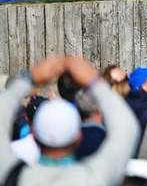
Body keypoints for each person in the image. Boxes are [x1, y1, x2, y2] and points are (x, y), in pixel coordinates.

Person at [0, 55, 139, 185]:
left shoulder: (13, 175)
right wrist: (95, 82)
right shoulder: (94, 177)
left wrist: (30, 79)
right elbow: (126, 128)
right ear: (78, 137)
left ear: (33, 134)